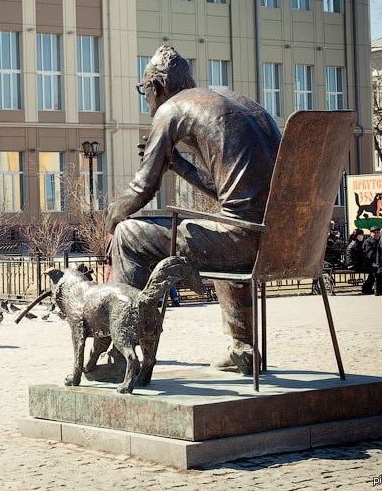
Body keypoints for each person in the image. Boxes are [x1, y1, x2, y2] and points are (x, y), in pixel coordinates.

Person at [105, 45, 281, 375]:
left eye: (144, 92)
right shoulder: (241, 103)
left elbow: (143, 188)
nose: (147, 101)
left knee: (129, 235)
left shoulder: (169, 110)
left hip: (243, 242)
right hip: (280, 240)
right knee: (225, 223)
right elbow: (230, 194)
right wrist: (181, 167)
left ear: (154, 88)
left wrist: (113, 218)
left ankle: (120, 356)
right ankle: (243, 348)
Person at [363, 226, 382, 296]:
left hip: (379, 261)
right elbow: (370, 255)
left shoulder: (381, 241)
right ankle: (378, 290)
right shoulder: (368, 241)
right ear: (370, 234)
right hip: (369, 262)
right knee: (378, 270)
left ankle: (370, 288)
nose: (376, 234)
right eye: (374, 233)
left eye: (377, 232)